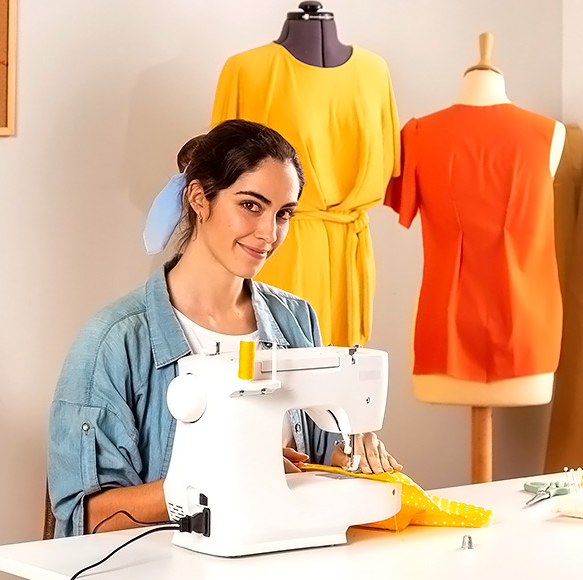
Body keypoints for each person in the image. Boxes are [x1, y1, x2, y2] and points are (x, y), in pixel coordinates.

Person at [48, 119, 402, 538]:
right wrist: (211, 478)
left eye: (283, 214)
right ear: (200, 198)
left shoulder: (296, 320)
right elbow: (87, 518)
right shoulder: (114, 342)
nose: (268, 233)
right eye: (251, 206)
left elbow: (322, 459)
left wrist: (355, 455)